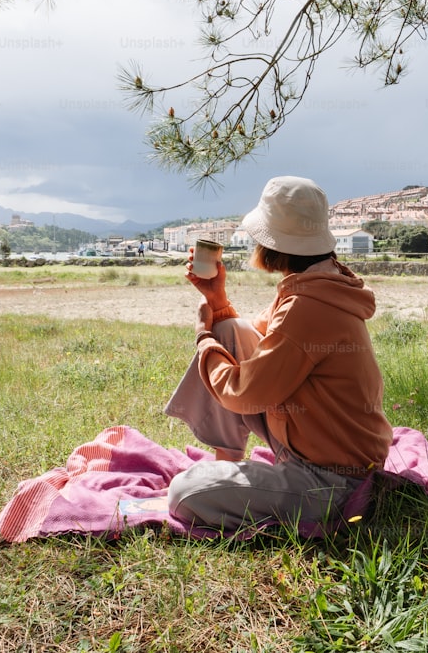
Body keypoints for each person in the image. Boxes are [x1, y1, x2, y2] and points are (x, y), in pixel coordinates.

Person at [165, 176, 394, 531]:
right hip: (315, 445)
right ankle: (228, 460)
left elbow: (245, 391)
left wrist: (202, 337)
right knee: (230, 330)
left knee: (183, 494)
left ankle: (226, 479)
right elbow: (256, 340)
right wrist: (217, 301)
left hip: (332, 481)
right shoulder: (318, 284)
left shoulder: (307, 305)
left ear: (272, 244)